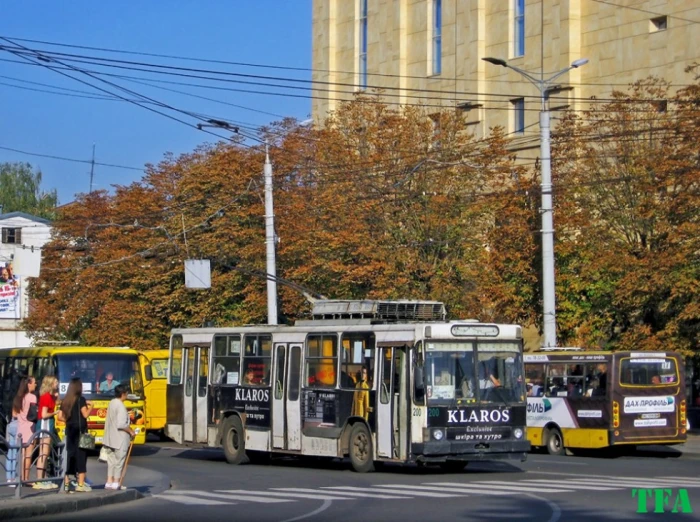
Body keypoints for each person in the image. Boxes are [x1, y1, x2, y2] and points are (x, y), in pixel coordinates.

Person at [59, 378, 92, 493]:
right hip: (80, 431)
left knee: (69, 455)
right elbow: (85, 414)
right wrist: (91, 406)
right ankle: (80, 484)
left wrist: (68, 420)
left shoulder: (65, 401)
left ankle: (67, 483)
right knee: (81, 456)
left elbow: (60, 417)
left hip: (70, 430)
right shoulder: (81, 400)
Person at [102, 384, 135, 490]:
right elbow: (121, 424)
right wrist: (131, 431)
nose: (127, 395)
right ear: (123, 394)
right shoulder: (121, 406)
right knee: (119, 461)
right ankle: (116, 482)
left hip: (110, 437)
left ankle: (109, 481)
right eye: (127, 393)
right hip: (120, 438)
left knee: (111, 461)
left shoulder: (112, 402)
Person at [35, 376, 60, 489]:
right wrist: (55, 413)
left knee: (46, 452)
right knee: (43, 452)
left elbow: (56, 402)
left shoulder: (50, 396)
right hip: (45, 422)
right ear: (50, 384)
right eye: (55, 382)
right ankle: (39, 479)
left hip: (48, 423)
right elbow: (44, 414)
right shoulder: (45, 397)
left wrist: (56, 398)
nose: (57, 384)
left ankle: (43, 477)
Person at [15, 376, 38, 485]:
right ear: (28, 384)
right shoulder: (32, 397)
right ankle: (26, 478)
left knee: (22, 455)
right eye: (34, 383)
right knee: (28, 455)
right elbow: (33, 414)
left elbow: (14, 414)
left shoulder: (18, 397)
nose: (35, 385)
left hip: (20, 427)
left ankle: (20, 477)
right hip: (29, 427)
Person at [5, 402, 21, 486]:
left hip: (11, 425)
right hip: (17, 426)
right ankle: (13, 478)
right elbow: (15, 414)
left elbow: (13, 414)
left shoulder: (14, 400)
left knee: (10, 453)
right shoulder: (19, 400)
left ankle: (9, 478)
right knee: (15, 453)